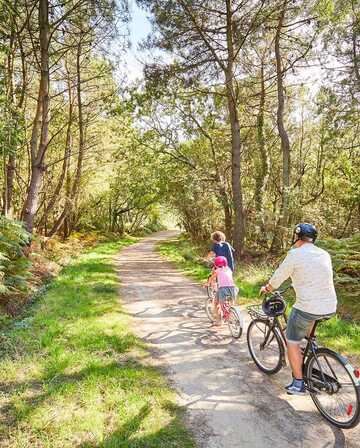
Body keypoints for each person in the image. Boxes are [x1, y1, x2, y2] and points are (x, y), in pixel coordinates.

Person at [260, 223, 337, 396]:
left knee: (292, 342)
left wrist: (268, 288)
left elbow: (279, 275)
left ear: (297, 237)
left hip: (308, 307)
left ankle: (298, 383)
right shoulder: (324, 253)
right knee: (309, 321)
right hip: (330, 305)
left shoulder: (295, 254)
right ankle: (311, 344)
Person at [212, 256, 237, 326]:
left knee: (216, 303)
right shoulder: (229, 269)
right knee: (230, 304)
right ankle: (231, 315)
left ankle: (219, 321)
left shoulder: (217, 271)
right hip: (233, 288)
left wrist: (207, 284)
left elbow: (212, 279)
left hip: (222, 289)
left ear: (216, 264)